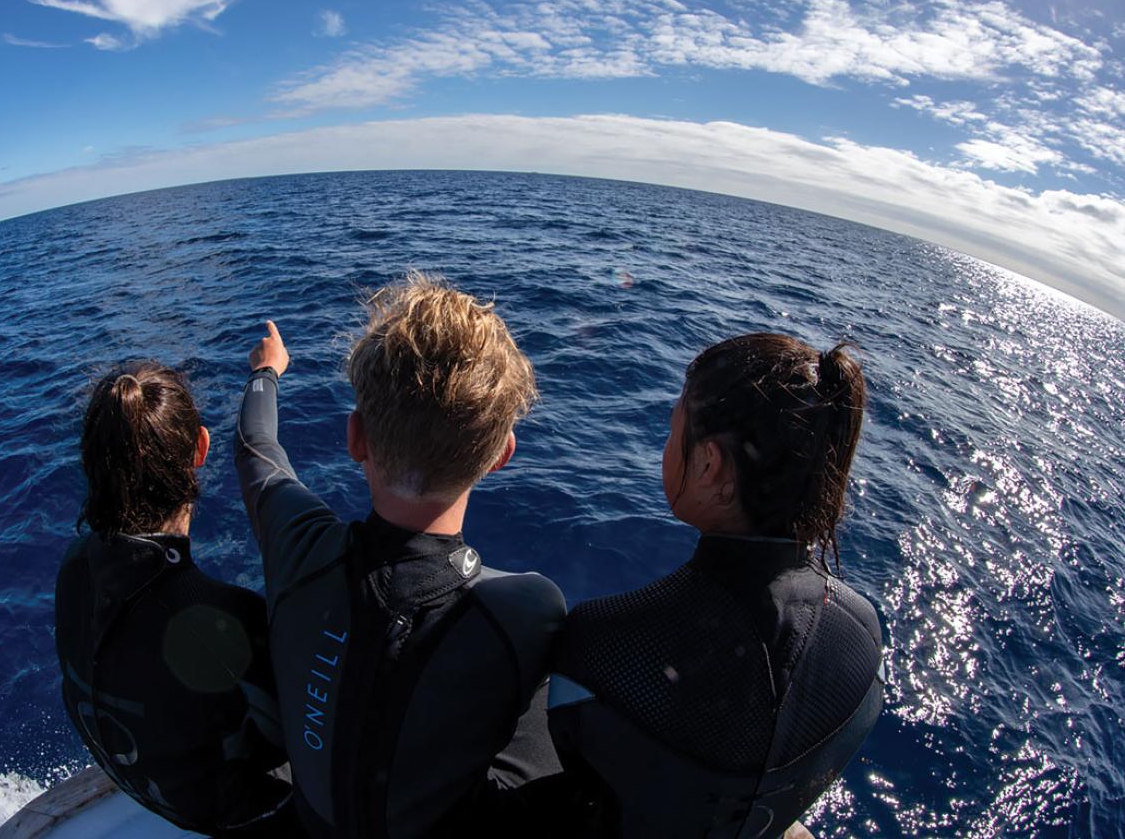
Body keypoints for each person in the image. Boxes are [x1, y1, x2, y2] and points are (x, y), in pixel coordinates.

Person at [234, 274, 566, 839]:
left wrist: (267, 371)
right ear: (500, 455)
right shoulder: (524, 610)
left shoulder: (298, 544)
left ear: (356, 437)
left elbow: (256, 447)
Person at [546, 333, 886, 838]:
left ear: (710, 466)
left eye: (671, 429)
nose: (665, 445)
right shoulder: (863, 631)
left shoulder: (601, 641)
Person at [55, 363, 296, 836]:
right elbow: (315, 726)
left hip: (150, 789)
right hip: (245, 816)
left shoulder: (76, 564)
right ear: (201, 448)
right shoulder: (216, 621)